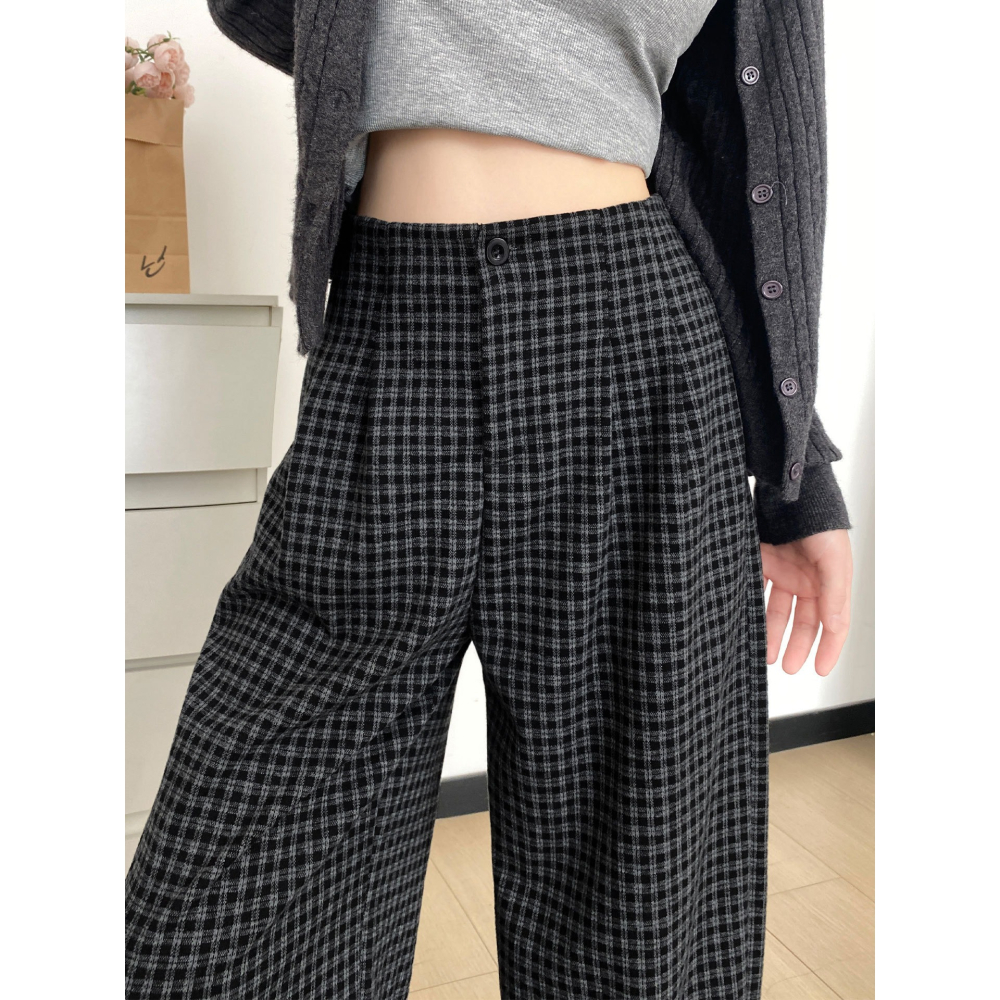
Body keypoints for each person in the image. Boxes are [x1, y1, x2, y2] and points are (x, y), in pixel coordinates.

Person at [125, 1, 853, 998]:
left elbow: (754, 151)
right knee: (211, 921)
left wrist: (795, 471)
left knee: (637, 921)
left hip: (631, 343)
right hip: (386, 332)